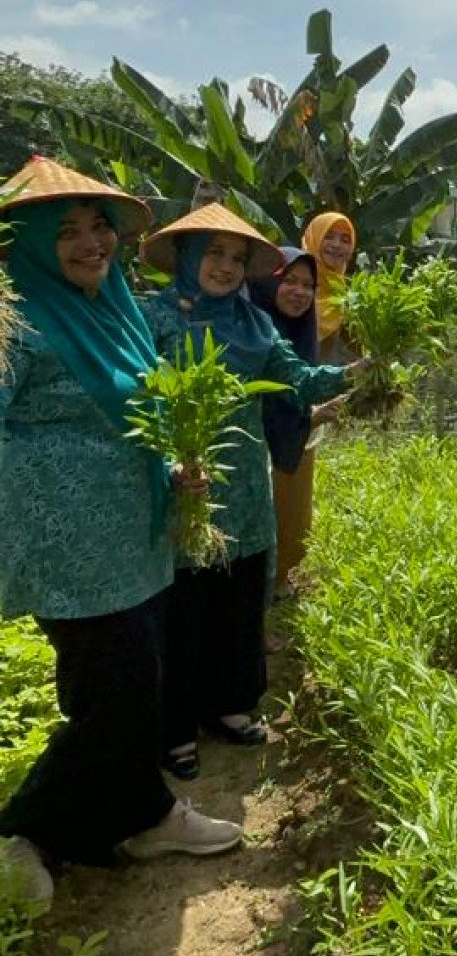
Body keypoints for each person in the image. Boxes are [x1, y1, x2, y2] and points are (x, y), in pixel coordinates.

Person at [0, 158, 241, 905]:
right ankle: (22, 832)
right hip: (68, 546)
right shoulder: (15, 318)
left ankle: (144, 815)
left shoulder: (114, 307)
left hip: (135, 535)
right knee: (115, 696)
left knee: (136, 682)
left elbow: (142, 414)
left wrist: (174, 465)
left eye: (98, 225)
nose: (90, 242)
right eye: (63, 230)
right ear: (27, 243)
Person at [141, 203, 354, 780]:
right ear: (186, 257)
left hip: (245, 486)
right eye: (213, 252)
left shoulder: (254, 324)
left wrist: (360, 373)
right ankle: (177, 724)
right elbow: (138, 402)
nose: (226, 266)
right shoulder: (155, 320)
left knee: (238, 601)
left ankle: (229, 706)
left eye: (236, 257)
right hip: (185, 483)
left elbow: (299, 378)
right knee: (186, 607)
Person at [249, 247, 338, 598]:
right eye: (289, 281)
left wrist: (316, 412)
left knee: (293, 524)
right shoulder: (250, 331)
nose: (300, 292)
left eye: (308, 285)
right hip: (250, 450)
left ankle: (276, 583)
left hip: (293, 442)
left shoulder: (301, 333)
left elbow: (299, 385)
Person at [302, 212, 358, 360]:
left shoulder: (346, 296)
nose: (336, 245)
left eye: (345, 240)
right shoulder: (292, 281)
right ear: (313, 238)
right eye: (328, 236)